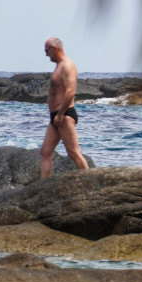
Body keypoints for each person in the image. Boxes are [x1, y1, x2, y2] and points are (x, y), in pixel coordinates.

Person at [40, 36, 90, 177]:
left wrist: (61, 114)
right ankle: (43, 187)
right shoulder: (58, 66)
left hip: (65, 114)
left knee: (73, 152)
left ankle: (89, 182)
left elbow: (70, 92)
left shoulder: (67, 65)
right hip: (56, 116)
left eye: (46, 51)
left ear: (54, 49)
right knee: (45, 151)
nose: (46, 54)